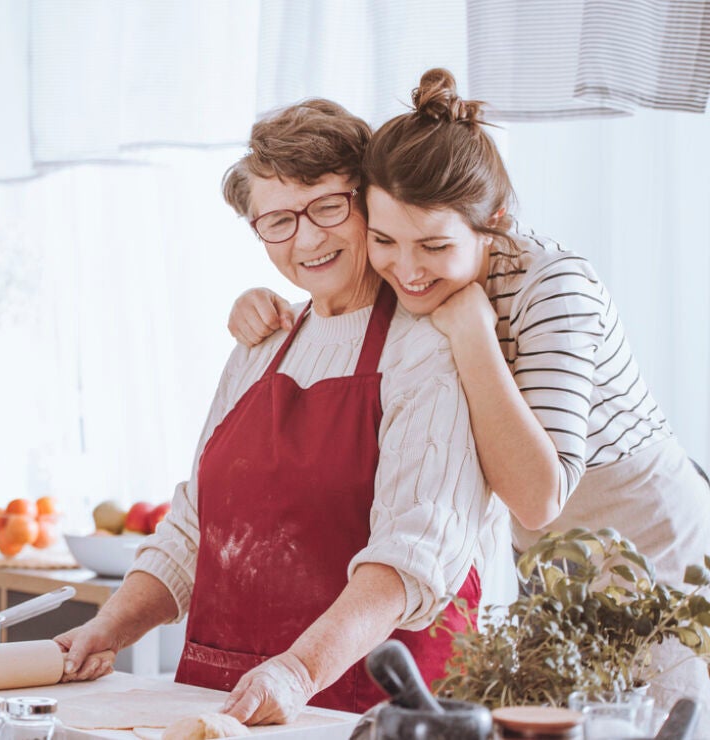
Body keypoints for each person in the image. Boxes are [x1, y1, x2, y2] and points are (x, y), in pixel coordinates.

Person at [227, 69, 710, 713]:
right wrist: (266, 305)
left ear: (495, 221)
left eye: (433, 245)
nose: (406, 268)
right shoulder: (418, 279)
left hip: (649, 543)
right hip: (544, 562)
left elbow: (539, 495)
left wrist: (473, 332)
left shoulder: (555, 288)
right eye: (385, 240)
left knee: (658, 722)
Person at [55, 99, 505, 724]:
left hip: (365, 710)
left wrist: (299, 671)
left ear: (369, 203)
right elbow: (194, 528)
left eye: (328, 207)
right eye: (278, 221)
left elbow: (412, 557)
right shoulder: (260, 343)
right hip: (225, 703)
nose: (308, 239)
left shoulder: (429, 349)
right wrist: (106, 630)